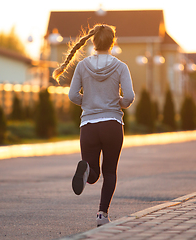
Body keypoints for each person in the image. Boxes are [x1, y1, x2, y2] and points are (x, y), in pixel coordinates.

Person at [53, 24, 135, 227]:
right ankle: (102, 215)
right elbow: (130, 96)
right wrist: (119, 103)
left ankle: (86, 170)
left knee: (93, 174)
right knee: (109, 171)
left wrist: (88, 102)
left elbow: (72, 95)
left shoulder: (82, 66)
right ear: (112, 42)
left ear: (93, 41)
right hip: (112, 124)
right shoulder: (121, 66)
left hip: (88, 125)